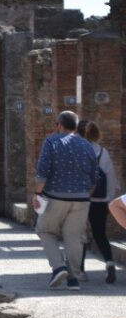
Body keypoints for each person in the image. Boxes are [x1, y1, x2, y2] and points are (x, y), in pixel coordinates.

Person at [32, 110, 99, 290]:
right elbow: (95, 176)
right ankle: (73, 279)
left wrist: (37, 194)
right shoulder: (87, 145)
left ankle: (58, 268)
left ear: (59, 125)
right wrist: (85, 193)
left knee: (45, 230)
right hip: (82, 198)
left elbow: (43, 170)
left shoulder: (52, 141)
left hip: (56, 196)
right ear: (76, 127)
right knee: (74, 238)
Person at [77, 120, 119, 284]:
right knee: (100, 234)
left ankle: (79, 270)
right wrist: (108, 199)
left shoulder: (76, 151)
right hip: (100, 200)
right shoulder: (103, 152)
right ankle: (109, 265)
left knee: (80, 234)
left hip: (80, 199)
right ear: (96, 133)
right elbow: (110, 177)